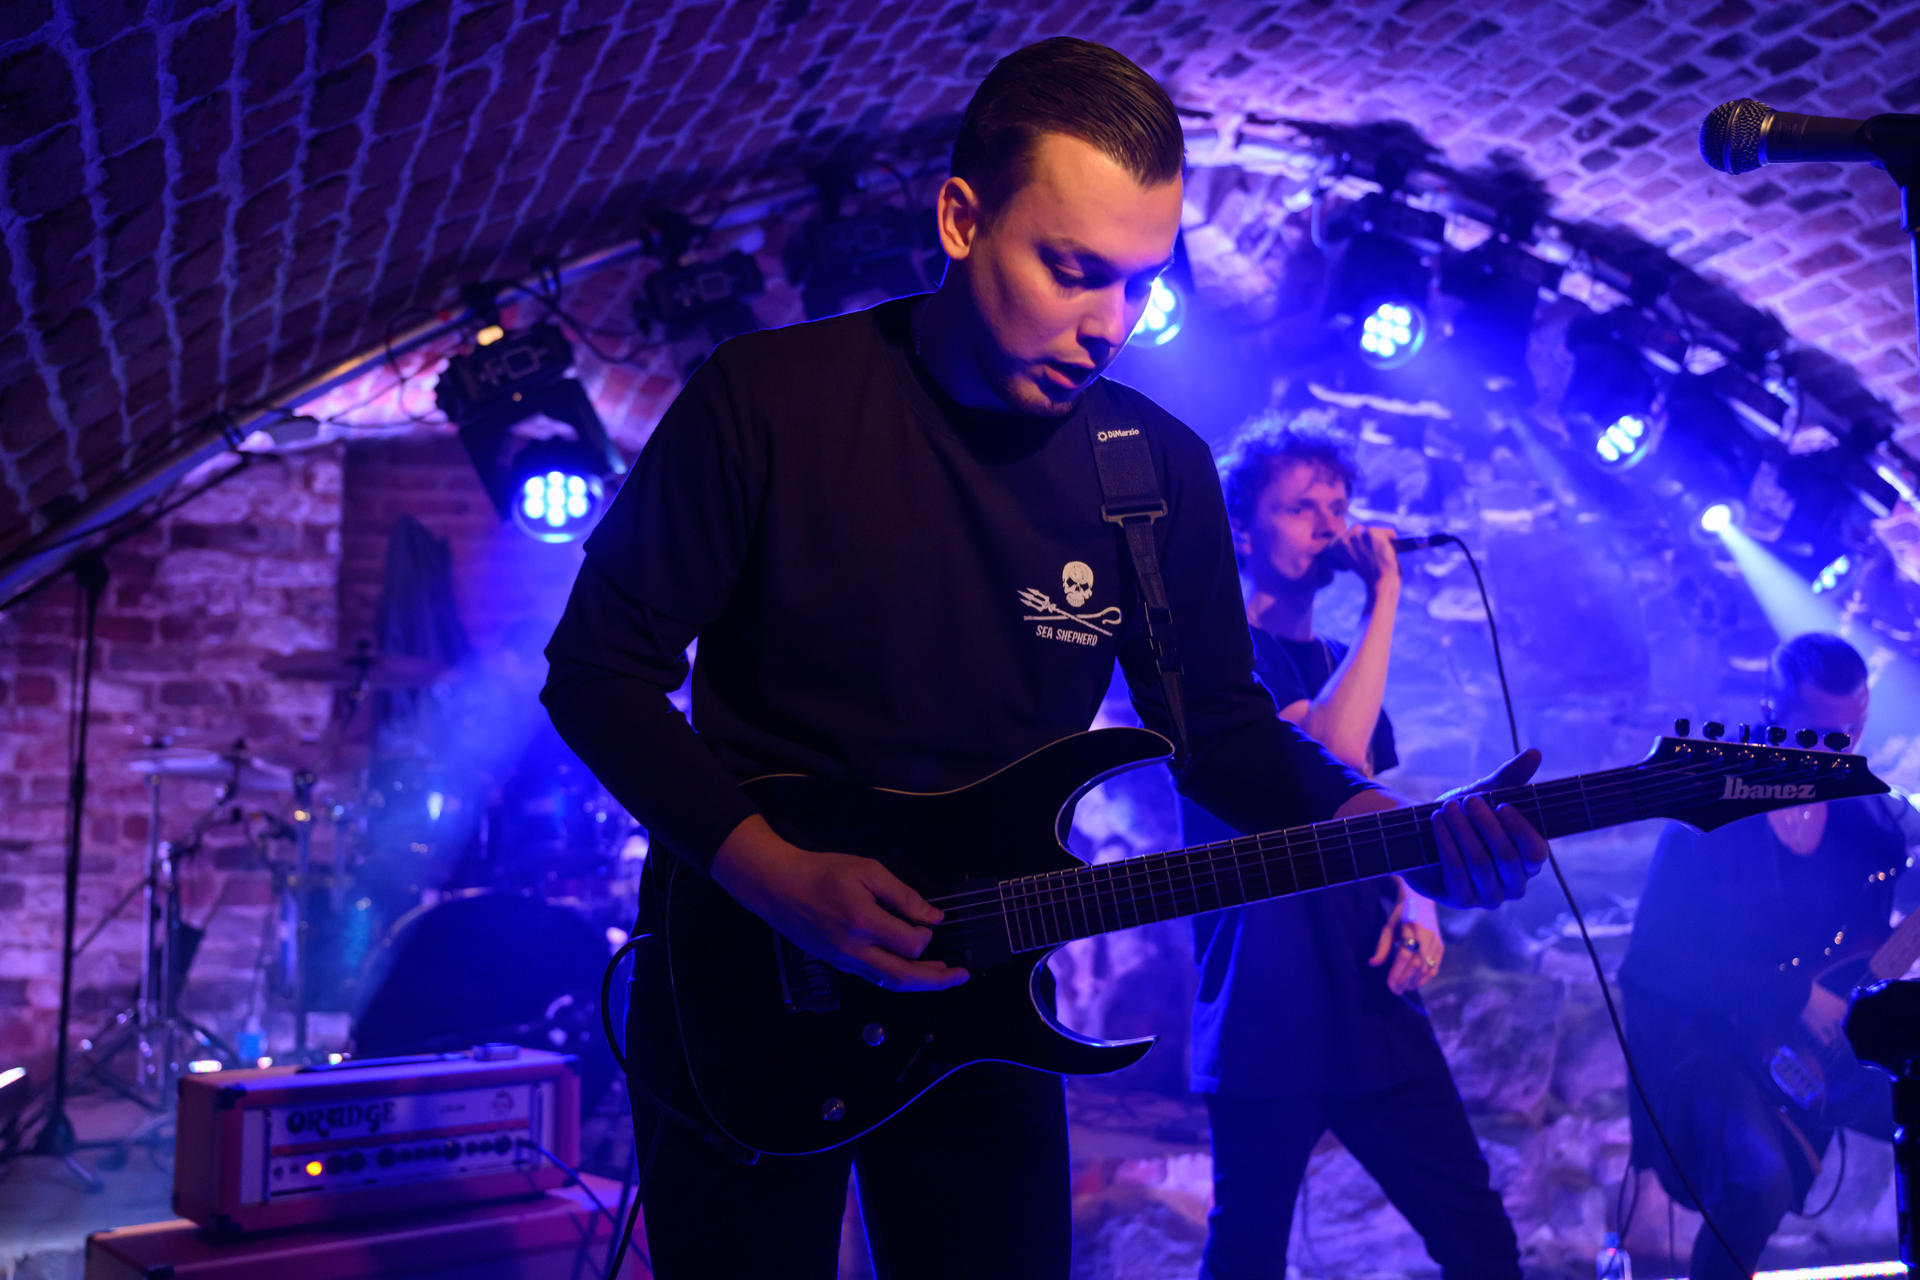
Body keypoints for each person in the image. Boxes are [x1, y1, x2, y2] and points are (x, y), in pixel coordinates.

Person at [542, 37, 1549, 1280]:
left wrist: (1391, 826)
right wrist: (775, 873)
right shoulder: (770, 397)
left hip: (986, 994)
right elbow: (598, 669)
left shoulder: (1152, 469)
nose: (1109, 325)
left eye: (1139, 284)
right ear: (961, 219)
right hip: (748, 973)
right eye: (1073, 271)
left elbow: (1218, 730)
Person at [1181, 423, 1522, 1280]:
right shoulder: (1217, 669)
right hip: (1266, 1005)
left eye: (1337, 506)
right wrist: (1385, 596)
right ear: (1242, 532)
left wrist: (1419, 903)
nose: (1330, 526)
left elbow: (1377, 809)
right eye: (1301, 508)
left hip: (1368, 996)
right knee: (1246, 1256)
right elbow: (1326, 757)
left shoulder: (1339, 661)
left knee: (1478, 1236)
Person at [1620, 632, 1906, 1280]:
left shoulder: (1865, 821)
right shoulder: (1711, 810)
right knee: (1758, 1181)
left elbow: (1864, 947)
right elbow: (1654, 963)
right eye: (1822, 734)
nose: (1839, 751)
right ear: (1772, 711)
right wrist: (1795, 996)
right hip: (1708, 1042)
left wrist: (1882, 967)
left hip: (1812, 1048)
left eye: (1852, 733)